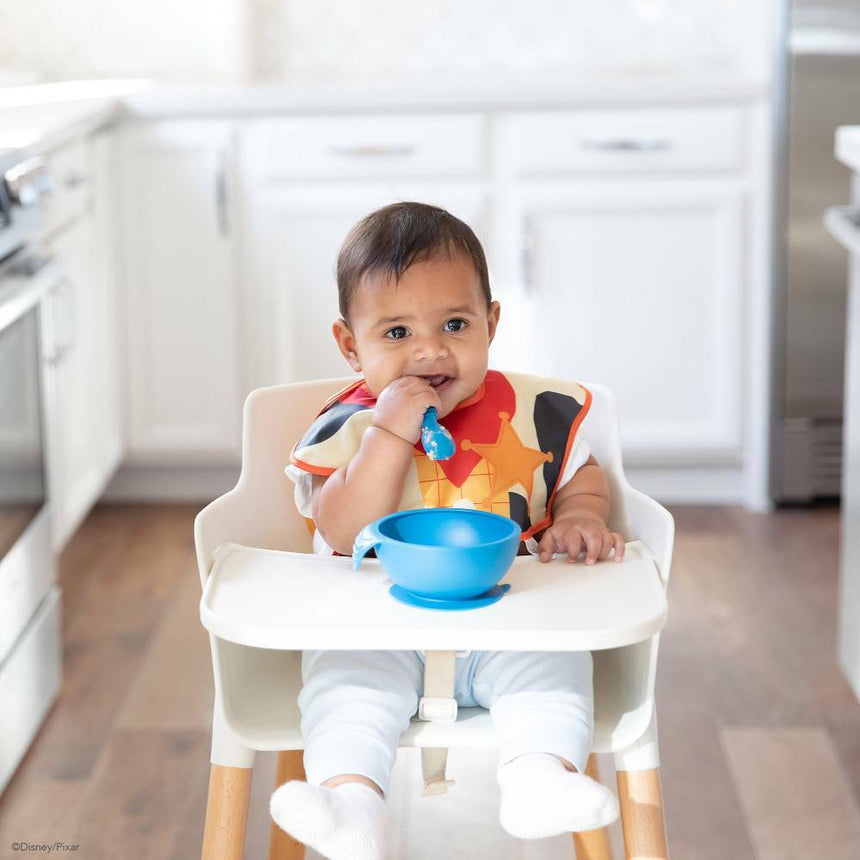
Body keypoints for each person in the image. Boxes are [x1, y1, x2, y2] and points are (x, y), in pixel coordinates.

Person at [270, 202, 625, 860]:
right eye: (397, 333)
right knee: (345, 689)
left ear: (491, 323)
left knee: (555, 672)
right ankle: (352, 806)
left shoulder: (535, 412)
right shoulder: (345, 426)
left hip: (510, 620)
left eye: (455, 324)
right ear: (351, 345)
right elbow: (342, 528)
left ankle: (537, 777)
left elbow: (581, 475)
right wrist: (388, 431)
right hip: (377, 628)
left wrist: (581, 516)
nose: (430, 351)